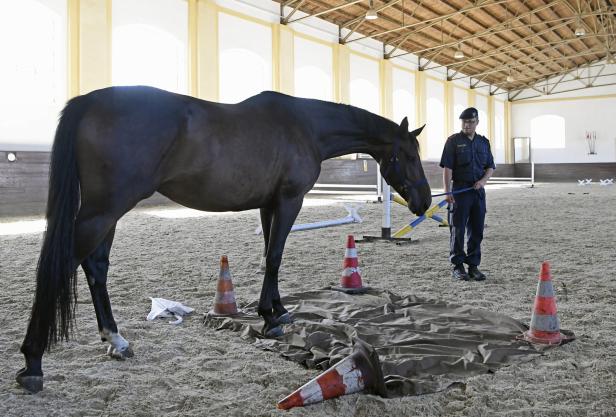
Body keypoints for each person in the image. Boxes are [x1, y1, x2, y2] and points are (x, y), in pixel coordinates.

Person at [439, 107, 495, 281]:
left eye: (471, 122)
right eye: (464, 122)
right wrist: (447, 191)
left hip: (478, 192)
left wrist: (483, 181)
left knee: (476, 229)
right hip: (460, 191)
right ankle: (457, 266)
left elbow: (490, 167)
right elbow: (447, 168)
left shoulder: (484, 143)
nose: (467, 125)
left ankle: (473, 266)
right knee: (457, 229)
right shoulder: (453, 141)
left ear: (477, 122)